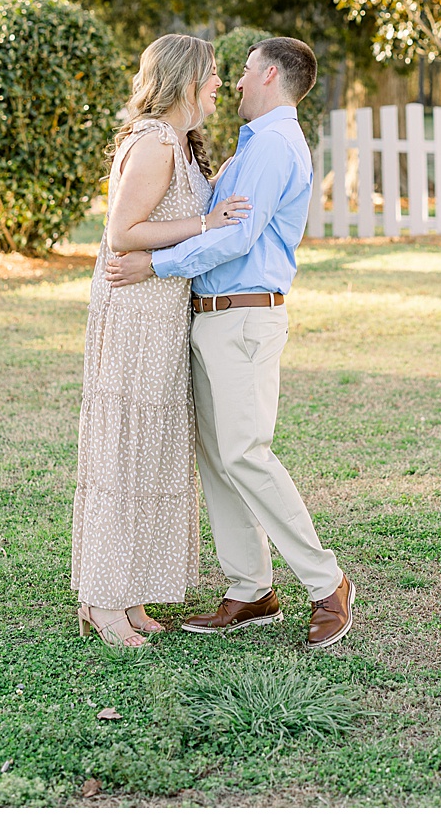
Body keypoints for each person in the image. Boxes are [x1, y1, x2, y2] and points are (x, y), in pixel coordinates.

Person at [106, 36, 356, 650]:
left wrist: (154, 264)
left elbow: (236, 238)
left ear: (269, 75)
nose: (235, 82)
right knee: (219, 460)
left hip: (244, 318)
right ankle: (250, 590)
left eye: (244, 71)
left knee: (246, 453)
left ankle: (327, 584)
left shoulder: (273, 145)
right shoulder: (252, 144)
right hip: (211, 317)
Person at [72, 34, 249, 648]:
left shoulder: (180, 142)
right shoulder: (154, 142)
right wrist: (206, 222)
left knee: (151, 452)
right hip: (136, 317)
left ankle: (130, 592)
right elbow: (123, 232)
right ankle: (103, 600)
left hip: (165, 314)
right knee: (126, 454)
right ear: (184, 80)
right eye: (212, 73)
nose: (220, 82)